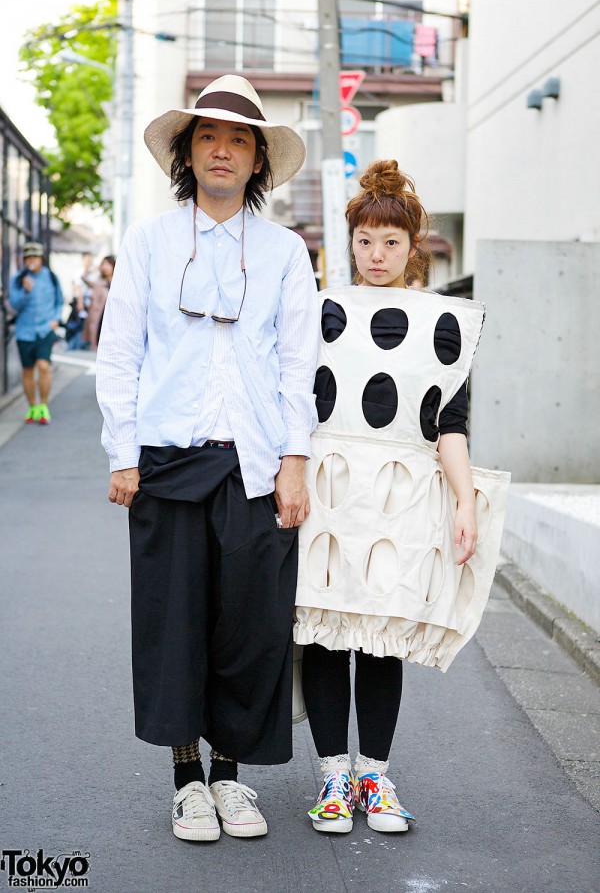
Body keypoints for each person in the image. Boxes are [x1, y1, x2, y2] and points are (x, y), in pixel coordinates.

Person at [95, 75, 319, 843]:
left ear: (258, 161)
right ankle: (186, 779)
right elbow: (120, 353)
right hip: (167, 457)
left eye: (239, 139)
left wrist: (295, 459)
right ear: (188, 155)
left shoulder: (286, 251)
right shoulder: (151, 242)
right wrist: (123, 452)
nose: (222, 150)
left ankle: (231, 777)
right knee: (173, 621)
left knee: (250, 626)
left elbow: (299, 363)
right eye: (207, 137)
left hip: (256, 462)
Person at [294, 160, 509, 835]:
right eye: (365, 241)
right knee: (328, 632)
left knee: (384, 635)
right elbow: (297, 404)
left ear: (412, 246)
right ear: (349, 242)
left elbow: (448, 423)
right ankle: (333, 775)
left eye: (390, 242)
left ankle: (374, 777)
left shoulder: (444, 324)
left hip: (402, 499)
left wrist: (466, 501)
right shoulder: (320, 310)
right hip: (329, 491)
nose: (376, 254)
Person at [9, 241, 64, 424]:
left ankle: (44, 406)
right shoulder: (18, 279)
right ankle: (32, 406)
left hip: (44, 331)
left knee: (43, 366)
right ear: (24, 260)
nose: (31, 260)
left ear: (41, 258)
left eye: (35, 257)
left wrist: (56, 319)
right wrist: (25, 291)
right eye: (28, 257)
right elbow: (14, 306)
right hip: (25, 332)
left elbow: (59, 301)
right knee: (27, 371)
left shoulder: (52, 277)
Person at [83, 255, 115, 350]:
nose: (105, 267)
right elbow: (84, 278)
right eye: (103, 264)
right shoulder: (99, 283)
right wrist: (94, 268)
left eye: (108, 264)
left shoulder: (120, 282)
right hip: (101, 319)